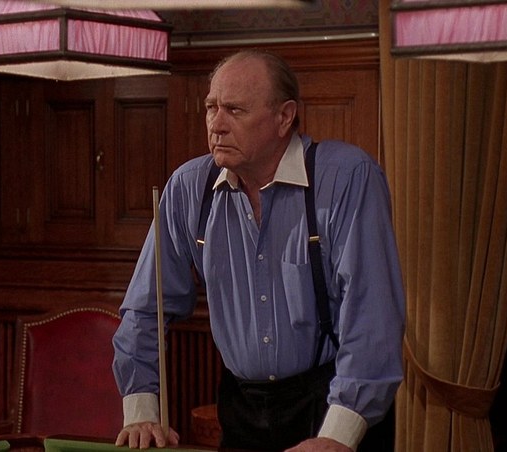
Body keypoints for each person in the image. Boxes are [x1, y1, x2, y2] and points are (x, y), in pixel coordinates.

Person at [112, 49, 405, 452]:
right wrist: (140, 409)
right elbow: (146, 309)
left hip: (333, 403)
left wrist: (338, 436)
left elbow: (373, 318)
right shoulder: (187, 189)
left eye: (235, 110)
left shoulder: (347, 178)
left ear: (284, 117)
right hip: (242, 409)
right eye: (211, 108)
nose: (217, 125)